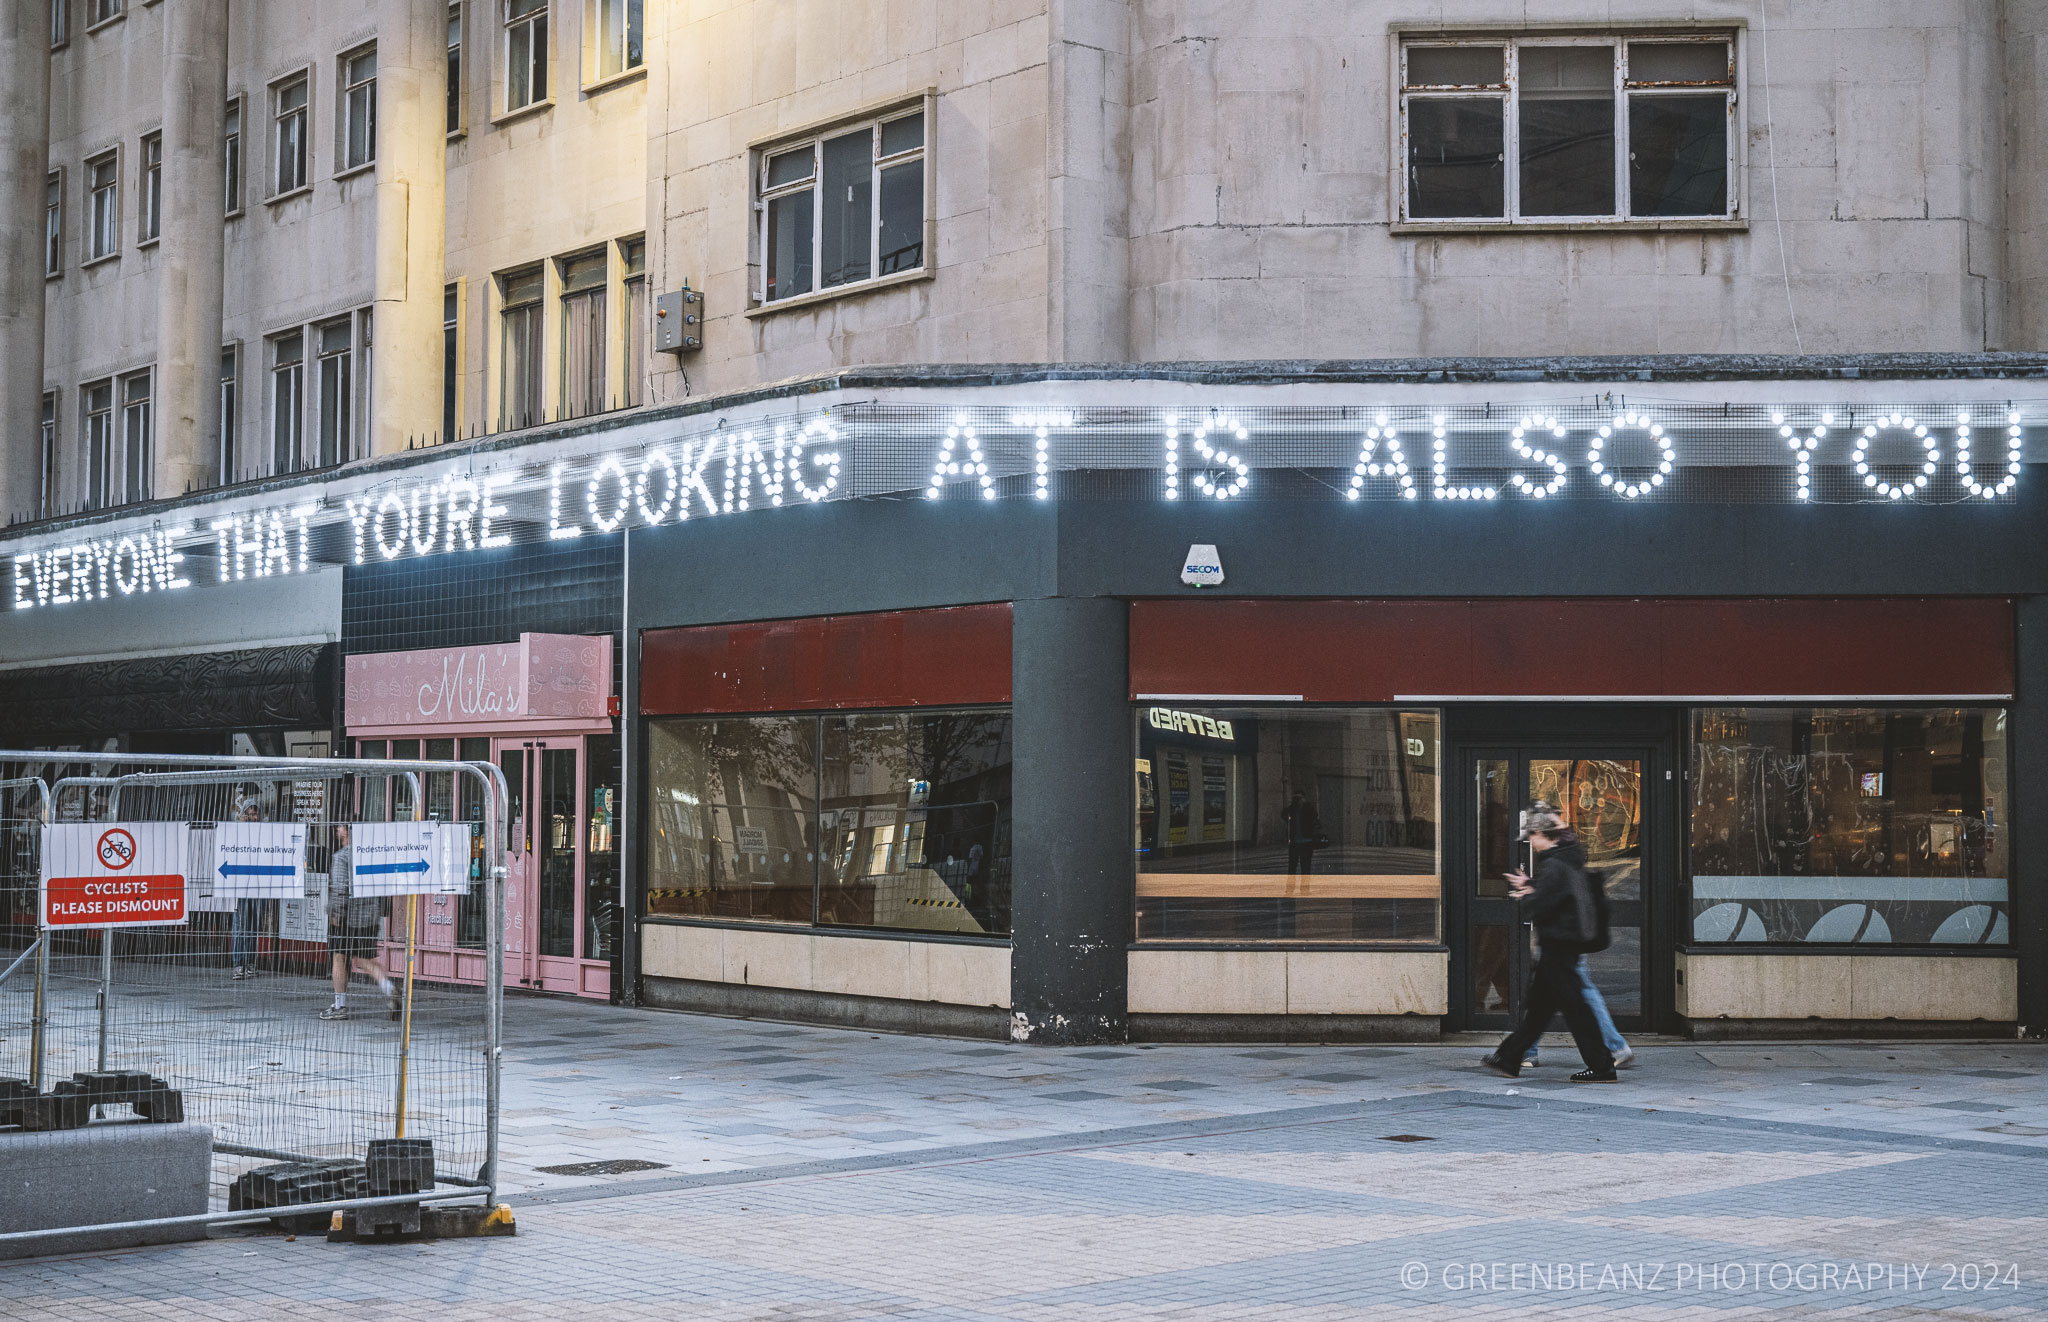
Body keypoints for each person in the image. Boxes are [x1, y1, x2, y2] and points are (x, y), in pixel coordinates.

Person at [1482, 804, 1617, 1082]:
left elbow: (1540, 906)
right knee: (1540, 1009)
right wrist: (1533, 886)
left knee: (1576, 1011)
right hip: (1562, 945)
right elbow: (1557, 896)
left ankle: (1602, 1066)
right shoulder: (1566, 859)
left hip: (1559, 945)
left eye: (1532, 836)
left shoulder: (1555, 864)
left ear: (1543, 834)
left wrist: (1526, 894)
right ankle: (1509, 1058)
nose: (1530, 842)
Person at [321, 824, 399, 1022]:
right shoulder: (370, 855)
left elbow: (340, 888)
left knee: (339, 957)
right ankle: (389, 989)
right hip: (369, 915)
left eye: (340, 827)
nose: (337, 830)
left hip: (346, 917)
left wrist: (335, 913)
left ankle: (339, 1005)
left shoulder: (341, 856)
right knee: (365, 959)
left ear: (346, 831)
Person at [228, 798, 264, 980]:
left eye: (255, 813)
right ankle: (238, 964)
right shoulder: (236, 831)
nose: (252, 817)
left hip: (258, 885)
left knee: (253, 927)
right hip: (240, 885)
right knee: (240, 927)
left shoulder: (265, 832)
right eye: (248, 814)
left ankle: (250, 963)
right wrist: (240, 827)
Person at [1282, 790, 1321, 876]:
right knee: (1292, 867)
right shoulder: (1292, 809)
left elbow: (1314, 814)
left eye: (1299, 798)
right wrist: (1292, 804)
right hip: (1294, 842)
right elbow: (1283, 814)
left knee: (1306, 867)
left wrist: (1305, 803)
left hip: (1306, 841)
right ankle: (1290, 889)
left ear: (1304, 798)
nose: (1297, 800)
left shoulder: (1307, 808)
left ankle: (1305, 889)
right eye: (1296, 798)